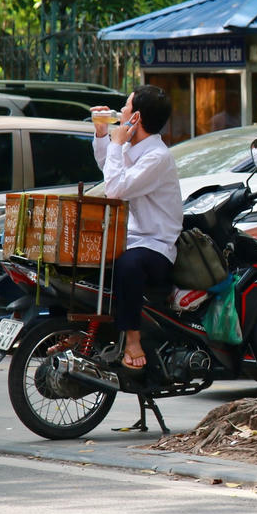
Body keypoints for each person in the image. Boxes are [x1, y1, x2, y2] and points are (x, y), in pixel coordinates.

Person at [91, 85, 183, 373]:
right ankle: (84, 335)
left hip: (156, 245)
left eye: (126, 106)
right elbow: (108, 167)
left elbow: (115, 189)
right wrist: (102, 134)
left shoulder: (157, 156)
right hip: (130, 238)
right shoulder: (132, 146)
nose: (122, 110)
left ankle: (133, 339)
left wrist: (116, 143)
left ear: (137, 116)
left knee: (128, 265)